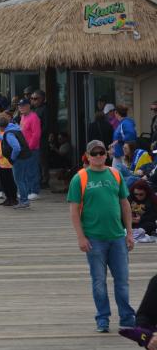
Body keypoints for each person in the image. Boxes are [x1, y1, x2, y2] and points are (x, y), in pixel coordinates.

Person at [68, 139, 135, 333]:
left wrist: (129, 233)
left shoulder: (115, 174)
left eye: (101, 153)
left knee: (122, 281)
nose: (98, 156)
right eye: (94, 153)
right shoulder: (79, 178)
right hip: (94, 239)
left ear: (106, 154)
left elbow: (125, 204)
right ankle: (102, 318)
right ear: (87, 156)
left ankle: (127, 318)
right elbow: (74, 211)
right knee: (98, 282)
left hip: (118, 237)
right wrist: (81, 237)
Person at [0, 115, 34, 209]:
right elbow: (6, 139)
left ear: (0, 127)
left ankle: (24, 201)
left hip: (19, 159)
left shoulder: (9, 133)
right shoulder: (14, 129)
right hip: (25, 157)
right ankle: (25, 200)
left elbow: (16, 148)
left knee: (19, 180)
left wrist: (12, 158)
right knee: (23, 179)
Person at [18, 99, 42, 200]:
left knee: (32, 170)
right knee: (24, 170)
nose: (21, 107)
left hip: (31, 149)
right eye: (20, 106)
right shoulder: (23, 117)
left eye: (23, 105)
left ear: (28, 106)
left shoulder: (34, 117)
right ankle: (26, 191)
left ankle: (34, 191)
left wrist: (30, 147)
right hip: (23, 149)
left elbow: (36, 135)